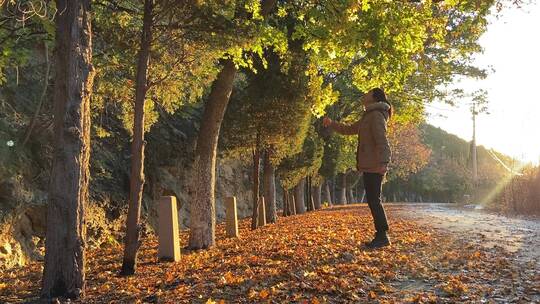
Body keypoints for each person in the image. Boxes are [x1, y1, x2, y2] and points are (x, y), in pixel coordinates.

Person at [323, 88, 392, 249]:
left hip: (375, 164)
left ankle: (382, 235)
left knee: (375, 200)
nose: (364, 95)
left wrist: (384, 162)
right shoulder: (368, 115)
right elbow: (349, 130)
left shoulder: (375, 115)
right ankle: (381, 235)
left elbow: (382, 139)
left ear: (374, 97)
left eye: (368, 93)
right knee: (373, 200)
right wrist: (332, 124)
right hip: (370, 164)